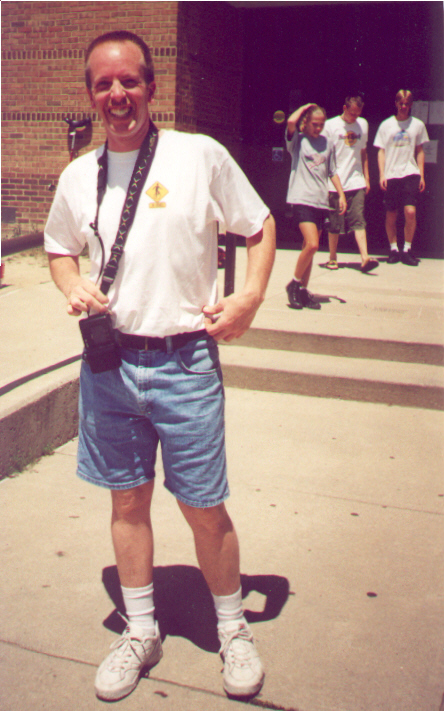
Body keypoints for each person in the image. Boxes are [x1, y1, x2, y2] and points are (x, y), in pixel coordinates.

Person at [44, 30, 275, 703]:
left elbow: (258, 225)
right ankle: (140, 628)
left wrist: (250, 297)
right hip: (111, 365)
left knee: (204, 506)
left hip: (185, 362)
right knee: (127, 498)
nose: (118, 95)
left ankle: (233, 628)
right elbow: (60, 247)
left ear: (151, 85)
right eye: (103, 84)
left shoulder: (198, 156)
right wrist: (69, 285)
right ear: (90, 93)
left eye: (130, 81)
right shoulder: (77, 174)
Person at [285, 103, 346, 310]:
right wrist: (306, 107)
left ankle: (302, 291)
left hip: (321, 201)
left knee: (308, 249)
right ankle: (293, 284)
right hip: (302, 199)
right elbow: (291, 121)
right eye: (314, 124)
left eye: (321, 125)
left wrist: (341, 194)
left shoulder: (328, 143)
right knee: (312, 244)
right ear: (306, 122)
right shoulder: (298, 142)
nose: (318, 128)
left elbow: (332, 171)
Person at [322, 95, 379, 273]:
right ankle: (332, 258)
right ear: (344, 107)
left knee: (358, 218)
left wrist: (367, 178)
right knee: (335, 222)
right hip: (335, 181)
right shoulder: (330, 125)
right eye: (352, 113)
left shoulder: (363, 124)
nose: (354, 117)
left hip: (356, 180)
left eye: (357, 114)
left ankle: (364, 258)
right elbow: (324, 156)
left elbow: (363, 152)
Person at [373, 89, 429, 266]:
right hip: (391, 174)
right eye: (401, 103)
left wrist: (421, 174)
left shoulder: (417, 125)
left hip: (410, 173)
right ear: (396, 104)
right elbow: (380, 151)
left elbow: (420, 150)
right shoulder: (386, 125)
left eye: (407, 103)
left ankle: (407, 249)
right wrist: (382, 174)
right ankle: (393, 250)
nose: (404, 106)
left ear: (411, 105)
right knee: (391, 214)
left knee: (410, 212)